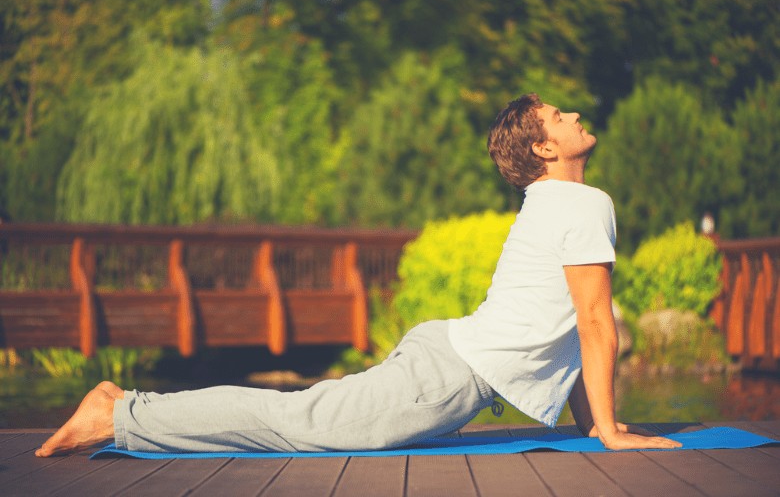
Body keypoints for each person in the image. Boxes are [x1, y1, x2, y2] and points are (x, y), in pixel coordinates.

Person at [35, 94, 682, 457]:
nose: (573, 115)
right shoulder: (581, 202)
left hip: (447, 364)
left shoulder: (556, 203)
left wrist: (593, 425)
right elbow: (594, 324)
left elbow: (569, 325)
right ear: (545, 148)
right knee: (298, 424)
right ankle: (121, 414)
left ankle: (122, 411)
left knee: (301, 416)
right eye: (559, 116)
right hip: (447, 375)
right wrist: (613, 433)